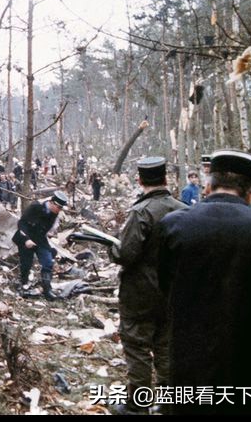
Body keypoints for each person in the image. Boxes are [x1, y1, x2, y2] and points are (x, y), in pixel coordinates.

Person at [158, 150, 251, 415]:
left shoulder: (174, 224)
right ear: (250, 191)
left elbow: (165, 285)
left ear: (208, 185)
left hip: (189, 353)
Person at [108, 157, 186, 415]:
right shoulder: (183, 209)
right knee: (166, 347)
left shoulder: (140, 212)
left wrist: (112, 247)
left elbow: (126, 254)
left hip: (140, 294)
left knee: (138, 348)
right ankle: (168, 404)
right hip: (173, 291)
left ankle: (136, 407)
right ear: (165, 178)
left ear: (140, 180)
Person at [11, 190, 68, 300]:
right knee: (26, 263)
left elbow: (46, 229)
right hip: (25, 236)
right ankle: (23, 284)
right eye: (58, 207)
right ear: (52, 203)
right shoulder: (35, 207)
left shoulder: (54, 214)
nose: (59, 210)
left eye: (61, 208)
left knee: (48, 261)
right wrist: (26, 239)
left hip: (40, 238)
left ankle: (47, 290)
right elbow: (21, 223)